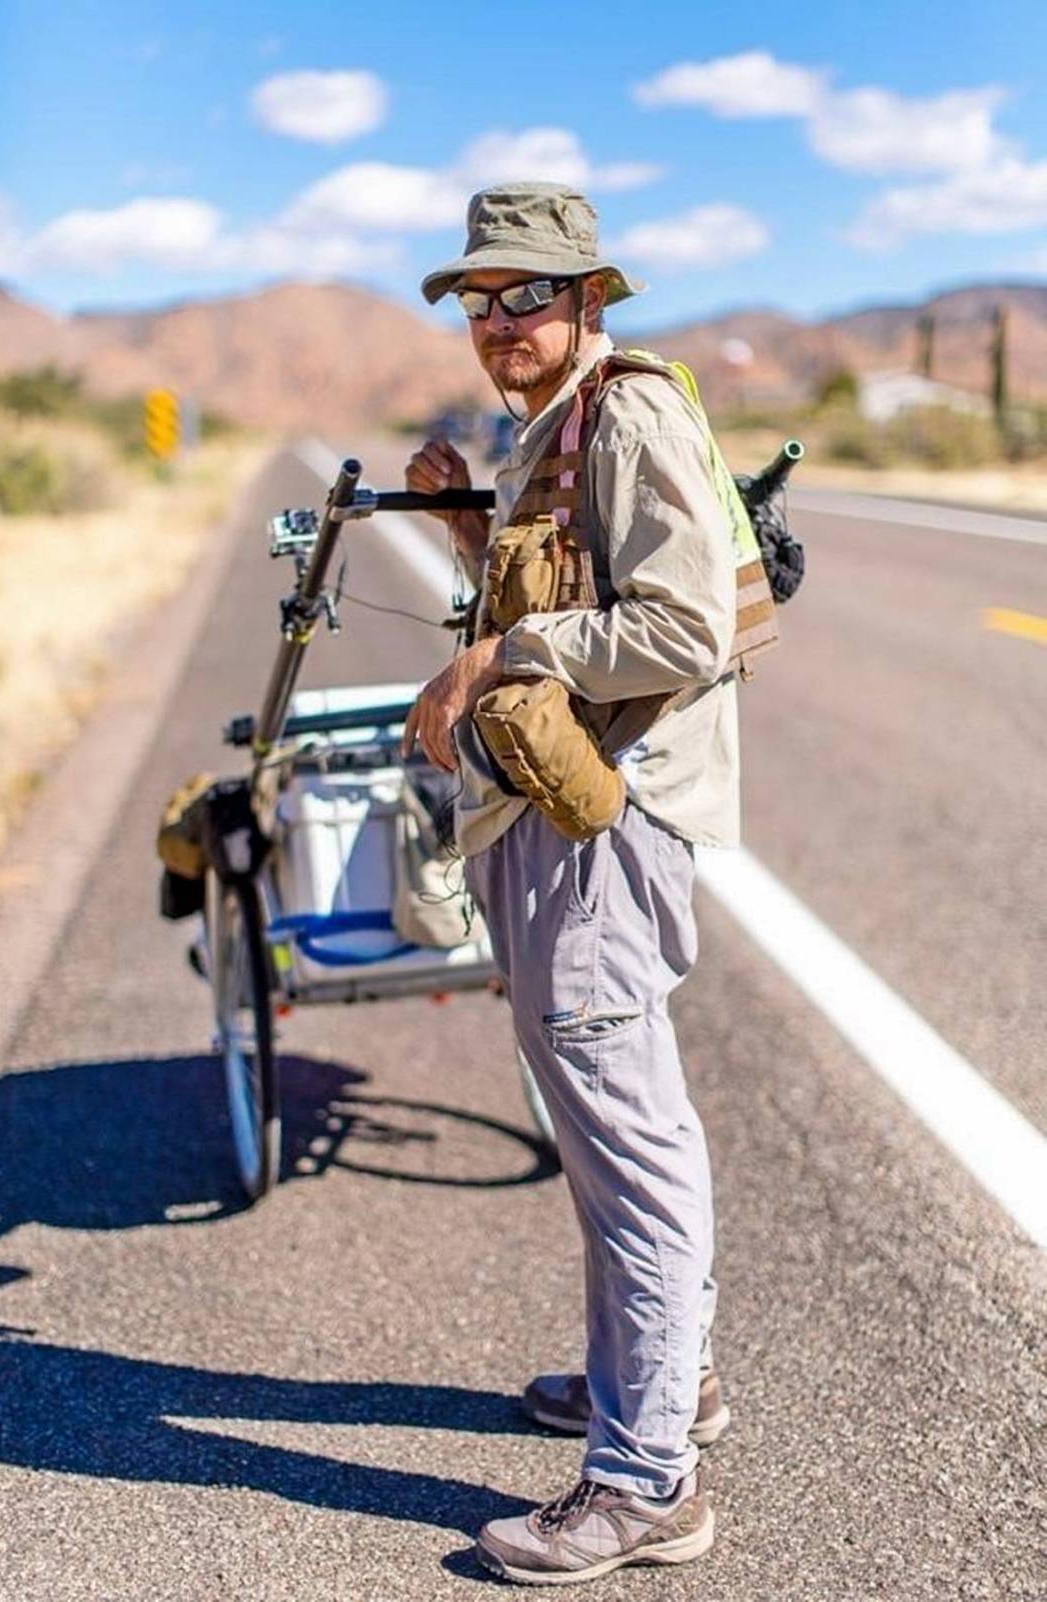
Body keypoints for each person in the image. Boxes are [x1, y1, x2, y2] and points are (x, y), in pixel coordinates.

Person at [402, 181, 739, 1585]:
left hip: (609, 826)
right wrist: (469, 542)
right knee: (613, 1136)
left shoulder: (632, 408)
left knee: (629, 1142)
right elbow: (564, 589)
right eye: (480, 300)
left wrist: (496, 658)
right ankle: (661, 1385)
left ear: (588, 296)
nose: (499, 323)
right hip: (557, 814)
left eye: (525, 294)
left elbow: (684, 620)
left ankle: (643, 1477)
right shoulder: (550, 426)